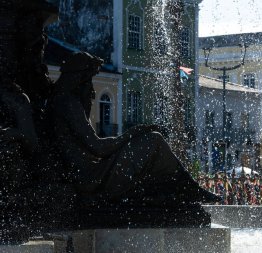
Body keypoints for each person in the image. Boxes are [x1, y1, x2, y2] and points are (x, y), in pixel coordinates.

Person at [50, 52, 221, 205]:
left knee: (152, 143)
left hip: (92, 173)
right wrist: (135, 132)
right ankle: (186, 189)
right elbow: (99, 147)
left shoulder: (63, 102)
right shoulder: (68, 104)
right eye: (89, 80)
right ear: (79, 79)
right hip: (91, 178)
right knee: (153, 140)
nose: (92, 90)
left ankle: (182, 190)